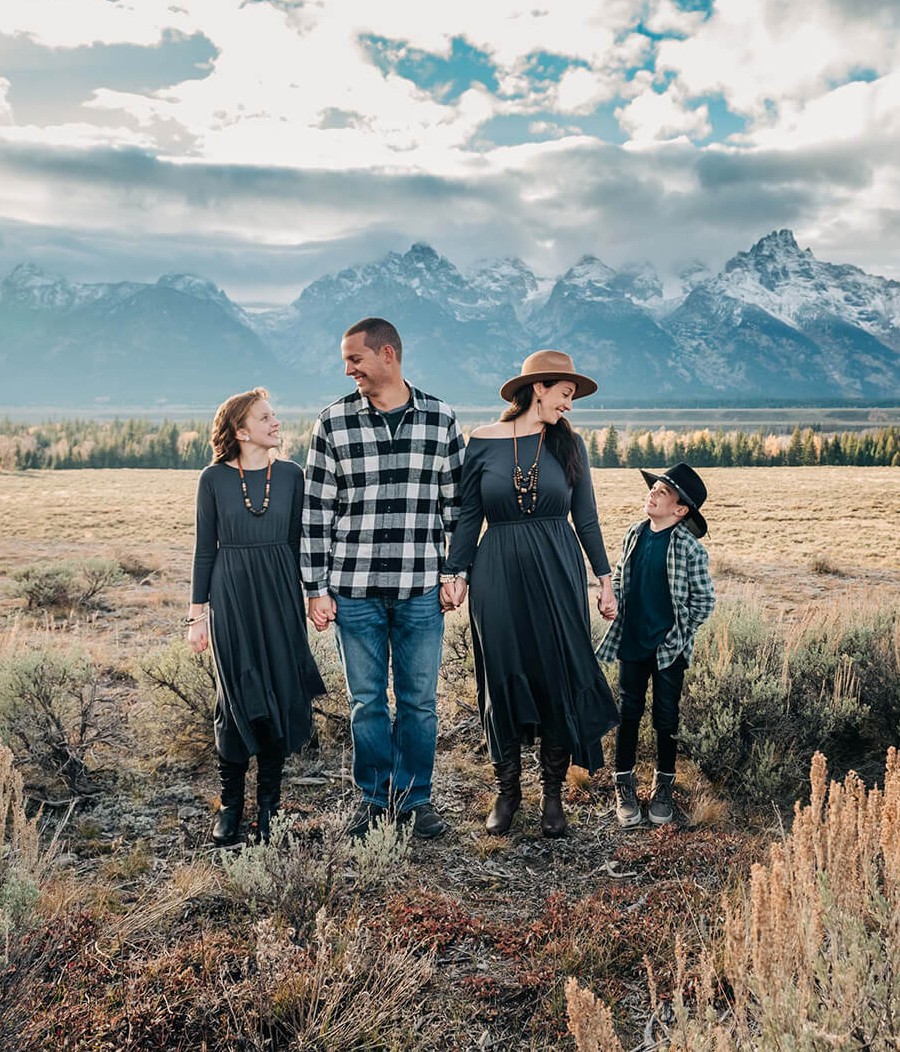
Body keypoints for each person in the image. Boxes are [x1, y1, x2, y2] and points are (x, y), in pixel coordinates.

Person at [301, 317, 466, 840]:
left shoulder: (440, 420)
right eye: (346, 361)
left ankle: (416, 800)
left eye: (356, 359)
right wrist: (316, 588)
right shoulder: (332, 423)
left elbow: (456, 507)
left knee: (419, 702)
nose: (348, 369)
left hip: (420, 589)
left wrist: (454, 572)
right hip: (354, 591)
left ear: (388, 354)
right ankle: (374, 800)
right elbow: (315, 512)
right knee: (366, 703)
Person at [444, 350, 620, 838]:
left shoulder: (571, 445)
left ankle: (553, 796)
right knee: (501, 676)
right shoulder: (480, 442)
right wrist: (455, 570)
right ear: (538, 387)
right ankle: (507, 792)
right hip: (495, 568)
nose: (569, 404)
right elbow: (468, 515)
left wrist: (605, 581)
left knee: (554, 675)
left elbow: (585, 517)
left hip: (557, 568)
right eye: (566, 394)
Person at [188, 387, 327, 847]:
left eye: (275, 415)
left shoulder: (291, 475)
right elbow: (204, 550)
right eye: (265, 417)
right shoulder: (212, 479)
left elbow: (297, 543)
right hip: (231, 597)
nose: (276, 423)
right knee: (236, 697)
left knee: (279, 693)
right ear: (240, 430)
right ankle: (231, 806)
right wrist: (197, 616)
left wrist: (310, 596)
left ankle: (269, 806)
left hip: (281, 593)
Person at [596, 463, 715, 827]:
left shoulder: (689, 549)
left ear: (680, 510)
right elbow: (619, 574)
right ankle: (625, 785)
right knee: (628, 713)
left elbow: (704, 602)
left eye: (663, 492)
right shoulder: (635, 534)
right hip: (632, 640)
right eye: (654, 488)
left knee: (666, 716)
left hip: (669, 649)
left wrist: (677, 635)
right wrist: (611, 598)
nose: (653, 493)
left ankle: (663, 787)